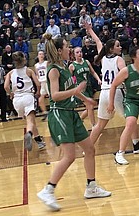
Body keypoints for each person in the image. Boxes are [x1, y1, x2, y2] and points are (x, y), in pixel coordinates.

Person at [36, 33, 111, 211]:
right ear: (60, 50)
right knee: (69, 156)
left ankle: (91, 187)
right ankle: (48, 189)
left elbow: (70, 89)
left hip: (71, 114)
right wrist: (76, 90)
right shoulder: (53, 69)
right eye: (67, 46)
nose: (70, 49)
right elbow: (54, 95)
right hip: (60, 114)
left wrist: (86, 99)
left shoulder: (64, 67)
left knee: (90, 148)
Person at [85, 22, 139, 153]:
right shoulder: (118, 59)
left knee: (100, 124)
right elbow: (126, 75)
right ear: (112, 49)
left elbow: (97, 41)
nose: (120, 47)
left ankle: (88, 148)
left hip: (104, 94)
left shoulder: (102, 58)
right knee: (131, 118)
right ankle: (135, 146)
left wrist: (90, 30)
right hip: (116, 92)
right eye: (117, 46)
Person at [4, 52, 47, 151]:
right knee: (30, 121)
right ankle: (29, 134)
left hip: (17, 100)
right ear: (24, 59)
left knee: (30, 122)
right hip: (28, 96)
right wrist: (38, 92)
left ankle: (39, 141)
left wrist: (11, 94)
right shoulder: (29, 71)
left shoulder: (10, 73)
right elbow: (38, 84)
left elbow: (6, 86)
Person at [71, 46, 101, 127]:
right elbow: (69, 79)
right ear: (74, 55)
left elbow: (93, 72)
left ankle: (79, 120)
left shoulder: (86, 62)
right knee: (90, 106)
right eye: (77, 52)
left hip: (89, 87)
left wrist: (98, 79)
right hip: (81, 90)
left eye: (80, 52)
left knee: (89, 108)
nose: (79, 53)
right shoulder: (72, 66)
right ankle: (94, 125)